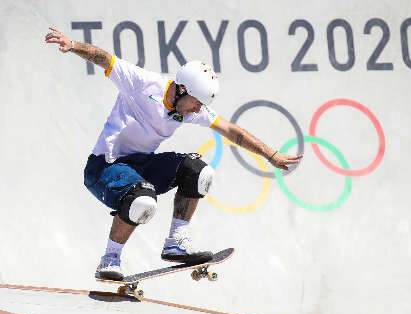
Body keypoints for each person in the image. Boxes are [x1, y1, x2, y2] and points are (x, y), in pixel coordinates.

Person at [44, 27, 303, 280]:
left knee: (198, 171)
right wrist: (73, 45)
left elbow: (232, 131)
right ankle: (110, 258)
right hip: (104, 167)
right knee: (142, 199)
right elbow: (105, 59)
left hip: (140, 165)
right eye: (196, 103)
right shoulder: (142, 83)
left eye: (201, 106)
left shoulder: (191, 107)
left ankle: (176, 242)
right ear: (181, 88)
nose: (197, 110)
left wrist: (271, 155)